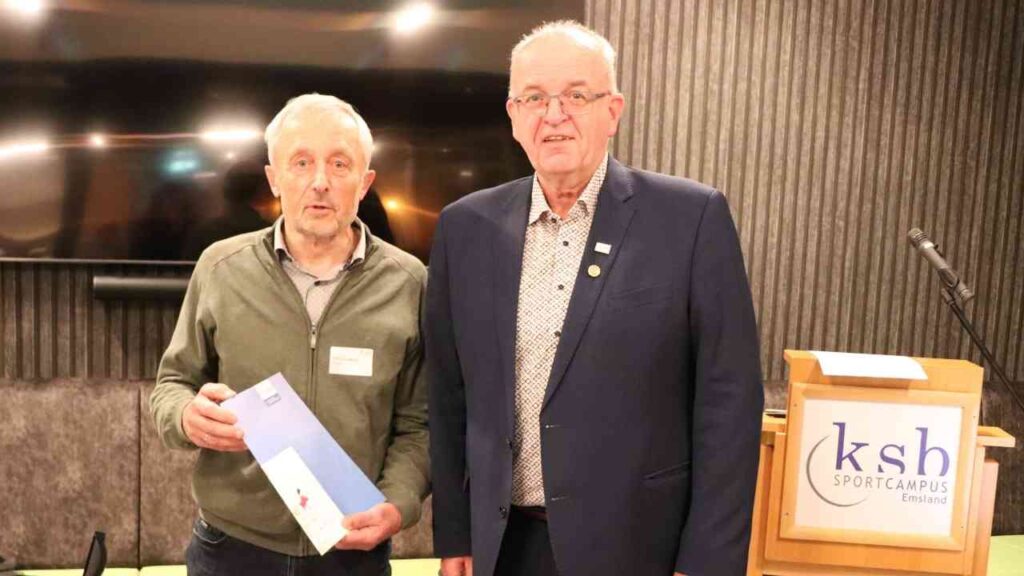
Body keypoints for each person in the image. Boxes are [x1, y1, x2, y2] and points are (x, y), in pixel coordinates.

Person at [425, 21, 763, 576]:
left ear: (613, 110)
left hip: (639, 548)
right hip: (500, 546)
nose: (553, 114)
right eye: (534, 97)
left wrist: (707, 562)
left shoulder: (691, 218)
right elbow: (448, 396)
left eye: (576, 95)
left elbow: (729, 403)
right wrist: (455, 535)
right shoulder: (466, 228)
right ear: (513, 116)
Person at [151, 93, 429, 576]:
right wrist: (185, 418)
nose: (320, 182)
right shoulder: (221, 267)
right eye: (301, 162)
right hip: (231, 548)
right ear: (274, 178)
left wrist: (398, 503)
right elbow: (171, 386)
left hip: (352, 551)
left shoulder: (410, 283)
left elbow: (420, 424)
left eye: (339, 164)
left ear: (364, 183)